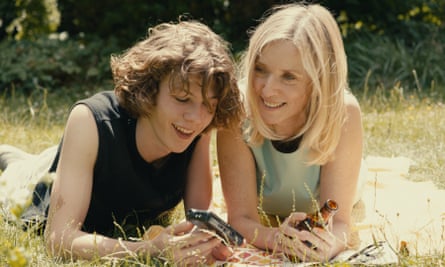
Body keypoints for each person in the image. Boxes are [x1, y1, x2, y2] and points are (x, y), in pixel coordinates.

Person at [0, 20, 244, 265]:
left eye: (208, 105)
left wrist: (207, 243)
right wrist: (148, 249)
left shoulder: (196, 129)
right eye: (182, 98)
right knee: (17, 170)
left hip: (79, 162)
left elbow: (198, 220)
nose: (196, 117)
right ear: (150, 89)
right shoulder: (90, 120)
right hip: (37, 179)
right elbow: (59, 239)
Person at [217, 3, 367, 263]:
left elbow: (341, 223)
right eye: (261, 70)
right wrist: (277, 239)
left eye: (289, 77)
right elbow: (240, 219)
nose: (267, 90)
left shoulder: (343, 112)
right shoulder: (237, 109)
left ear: (319, 80)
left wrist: (325, 248)